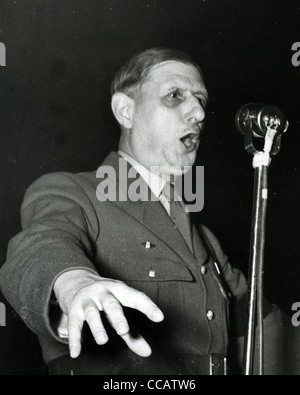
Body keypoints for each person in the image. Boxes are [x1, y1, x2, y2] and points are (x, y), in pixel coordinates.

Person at [0, 47, 297, 375]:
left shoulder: (205, 240)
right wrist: (74, 283)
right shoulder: (75, 192)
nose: (198, 112)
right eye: (174, 95)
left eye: (201, 100)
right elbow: (40, 246)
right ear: (125, 111)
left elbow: (266, 329)